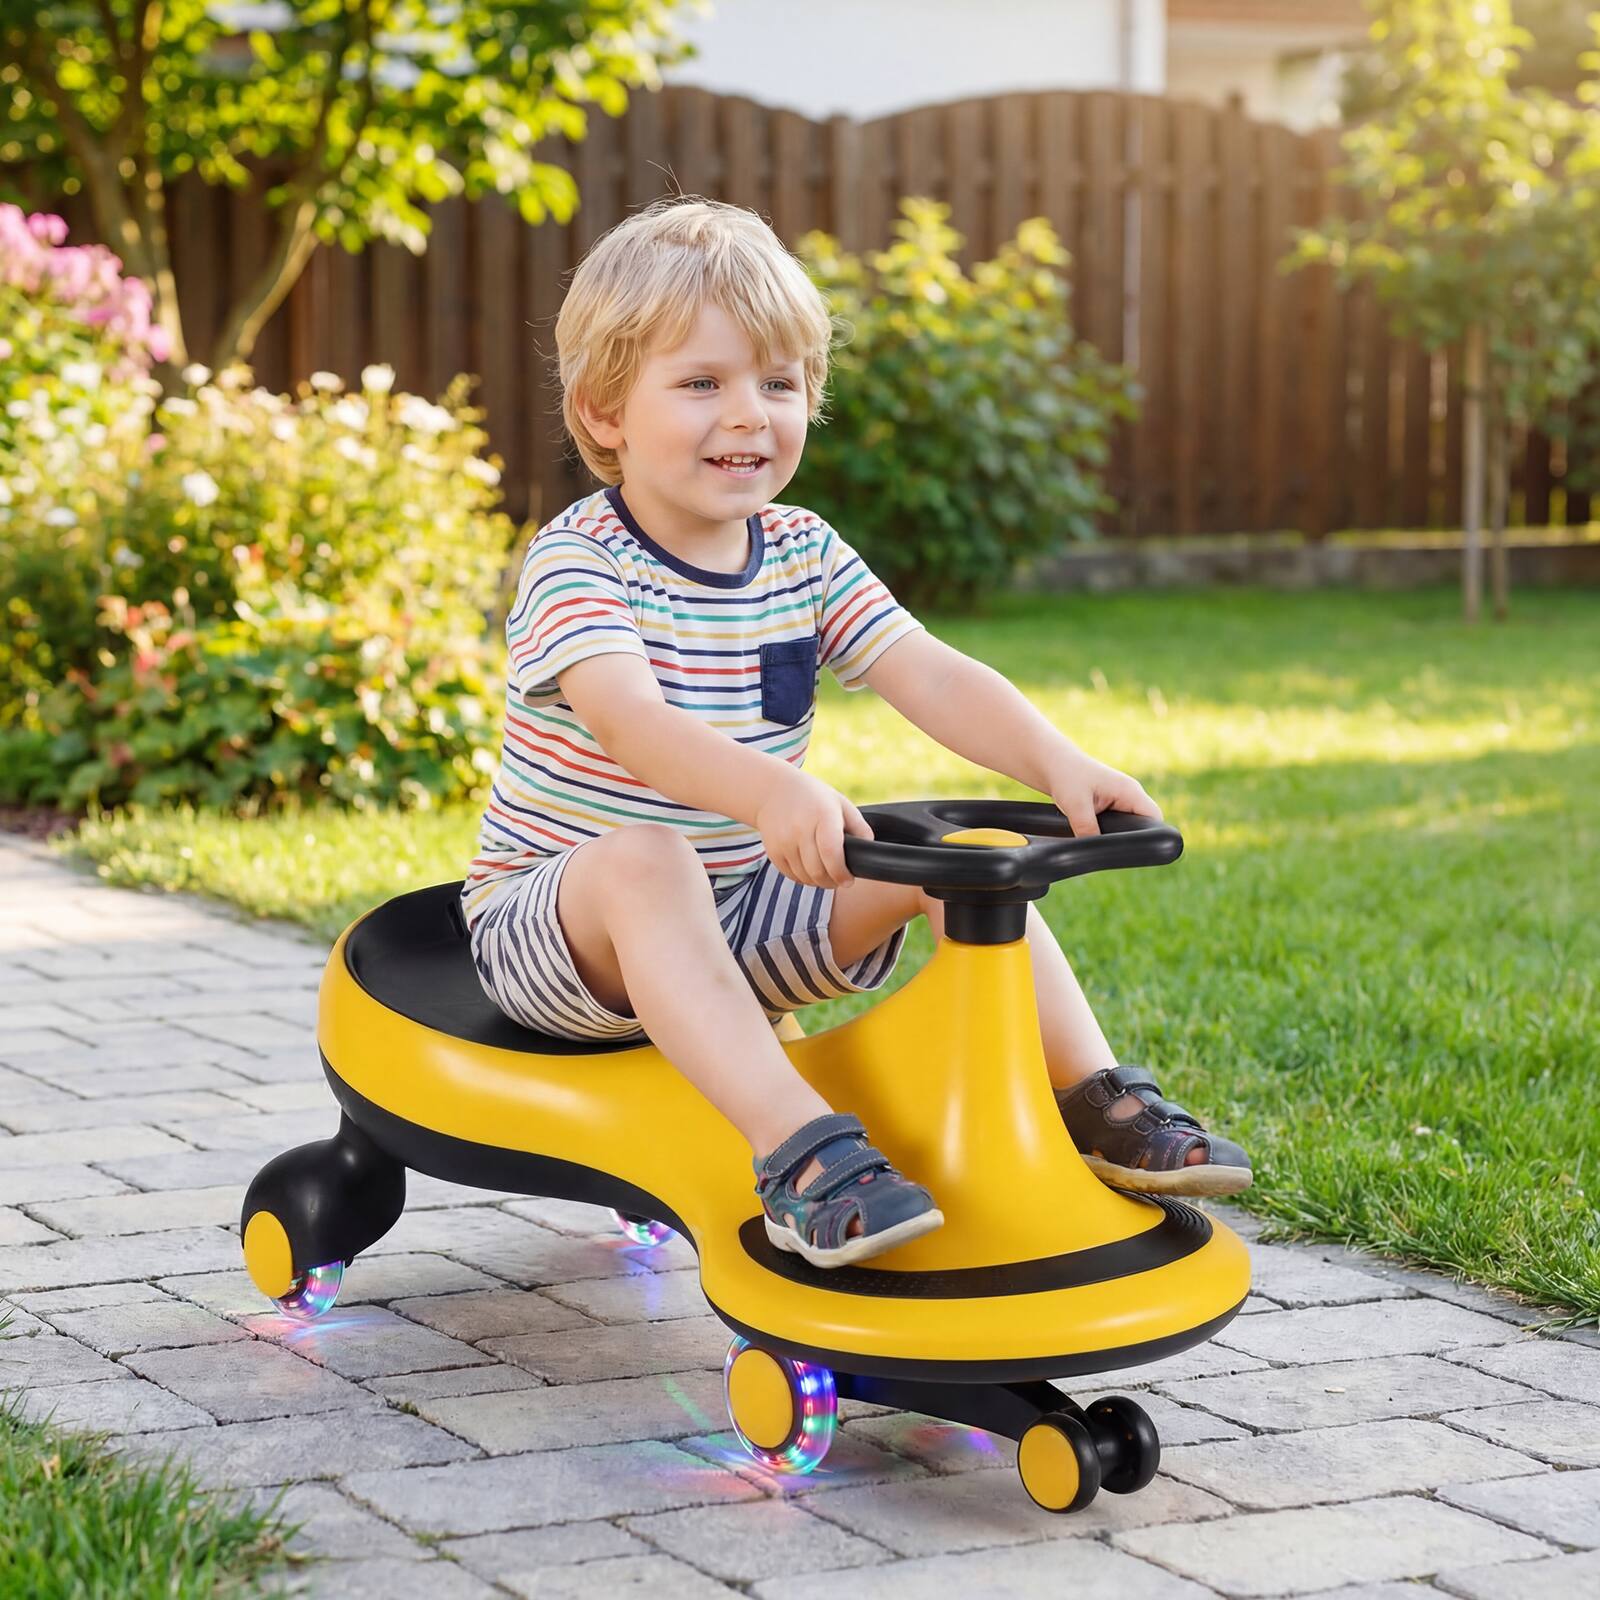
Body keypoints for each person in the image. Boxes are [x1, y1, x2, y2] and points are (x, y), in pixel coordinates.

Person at [462, 195, 1250, 1270]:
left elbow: (925, 670)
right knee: (648, 860)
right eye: (701, 383)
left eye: (776, 384)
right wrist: (767, 792)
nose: (748, 415)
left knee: (957, 858)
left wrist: (1058, 760)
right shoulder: (580, 560)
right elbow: (632, 723)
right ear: (604, 411)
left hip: (742, 916)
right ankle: (798, 1155)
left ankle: (1093, 1098)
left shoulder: (801, 550)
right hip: (561, 936)